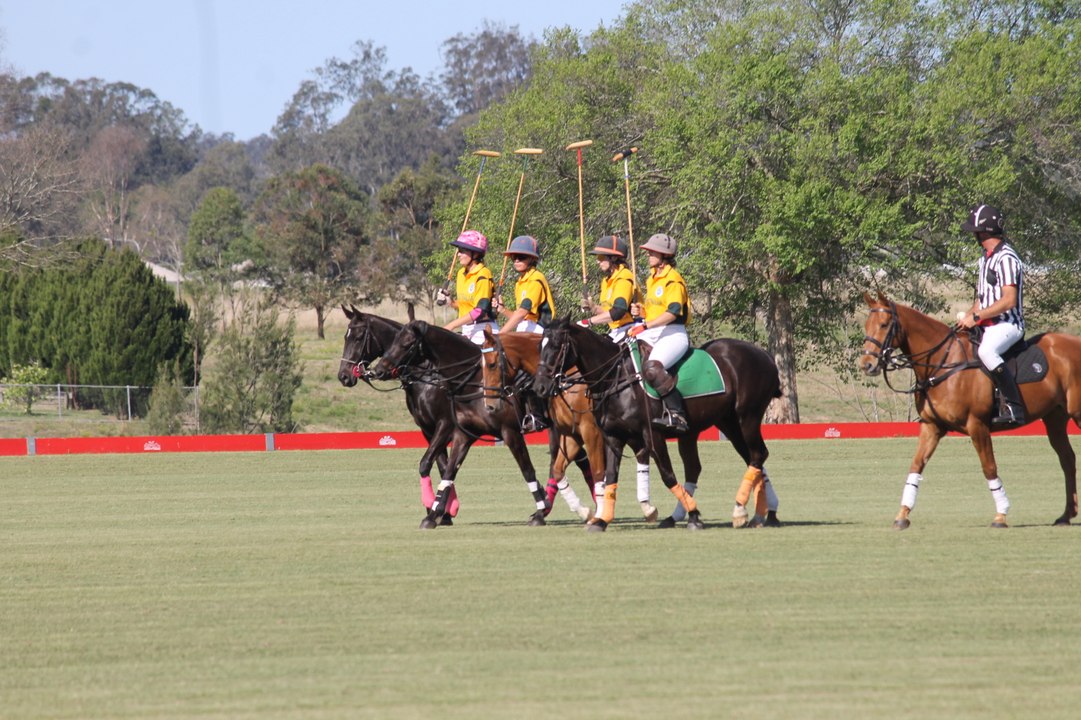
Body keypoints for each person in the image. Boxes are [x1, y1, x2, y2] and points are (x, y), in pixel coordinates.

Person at [957, 204, 1026, 428]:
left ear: (984, 232)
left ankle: (1013, 407)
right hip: (989, 324)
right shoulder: (985, 258)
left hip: (1008, 324)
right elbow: (983, 298)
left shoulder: (1007, 258)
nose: (974, 235)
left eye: (975, 231)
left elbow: (1008, 300)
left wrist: (976, 318)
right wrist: (968, 316)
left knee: (987, 350)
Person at [628, 233, 690, 434]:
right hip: (654, 330)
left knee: (653, 368)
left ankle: (677, 414)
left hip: (673, 334)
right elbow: (655, 311)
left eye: (652, 252)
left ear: (664, 255)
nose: (648, 255)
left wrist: (645, 326)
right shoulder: (652, 279)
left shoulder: (673, 280)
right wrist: (640, 312)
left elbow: (672, 313)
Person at [494, 235, 556, 432]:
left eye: (522, 256)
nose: (517, 260)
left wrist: (500, 335)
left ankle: (539, 417)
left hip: (542, 332)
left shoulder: (536, 279)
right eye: (514, 257)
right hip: (528, 328)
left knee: (523, 375)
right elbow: (523, 315)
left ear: (532, 259)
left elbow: (523, 313)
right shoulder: (520, 282)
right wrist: (503, 311)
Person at [580, 234, 641, 342]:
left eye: (601, 257)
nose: (597, 261)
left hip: (634, 328)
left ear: (614, 258)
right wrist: (593, 307)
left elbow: (618, 312)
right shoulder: (606, 281)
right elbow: (608, 313)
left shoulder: (624, 277)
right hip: (617, 331)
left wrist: (588, 322)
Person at [441, 230, 497, 344]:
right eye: (458, 250)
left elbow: (480, 310)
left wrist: (451, 325)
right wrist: (450, 302)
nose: (458, 254)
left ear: (475, 254)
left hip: (483, 331)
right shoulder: (461, 273)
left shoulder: (483, 274)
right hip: (466, 329)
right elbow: (465, 306)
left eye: (462, 250)